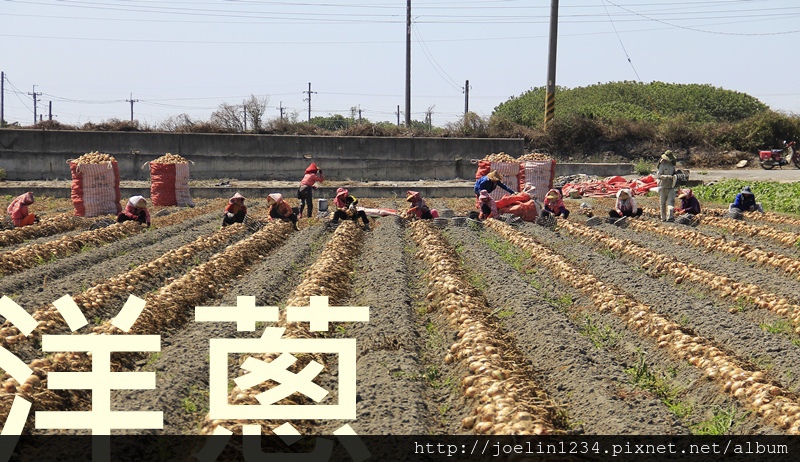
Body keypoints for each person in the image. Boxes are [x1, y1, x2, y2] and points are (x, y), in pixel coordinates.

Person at [656, 150, 677, 222]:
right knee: (662, 203)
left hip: (671, 186)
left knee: (671, 202)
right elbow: (658, 175)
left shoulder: (673, 165)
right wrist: (667, 177)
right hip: (663, 186)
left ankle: (670, 217)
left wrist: (675, 176)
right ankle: (663, 218)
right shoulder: (662, 165)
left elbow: (675, 173)